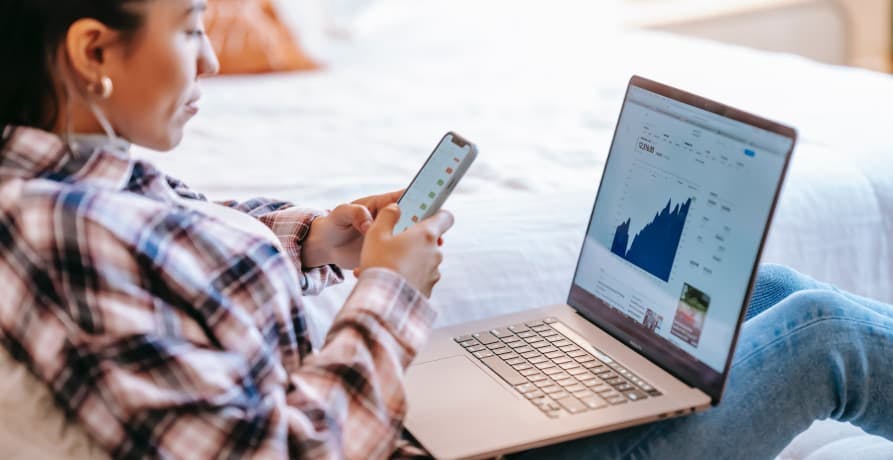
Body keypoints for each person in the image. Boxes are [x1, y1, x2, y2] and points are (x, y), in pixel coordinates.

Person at [0, 1, 889, 459]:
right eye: (191, 28)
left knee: (770, 294)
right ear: (92, 52)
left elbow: (171, 245)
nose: (213, 56)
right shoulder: (65, 230)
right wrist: (388, 294)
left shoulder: (61, 183)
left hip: (415, 424)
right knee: (823, 338)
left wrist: (318, 238)